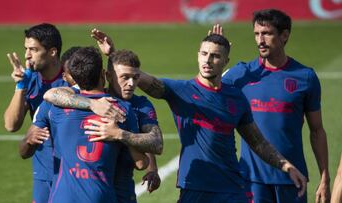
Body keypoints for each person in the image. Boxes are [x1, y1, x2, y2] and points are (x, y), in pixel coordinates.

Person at [136, 31, 307, 202]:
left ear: (226, 62)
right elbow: (140, 78)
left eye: (215, 56)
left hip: (232, 188)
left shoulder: (236, 98)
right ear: (198, 55)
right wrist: (114, 56)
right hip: (195, 186)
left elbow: (258, 142)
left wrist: (286, 166)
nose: (208, 60)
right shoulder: (181, 90)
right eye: (204, 54)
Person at [221, 9, 330, 203]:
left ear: (284, 35)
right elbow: (205, 89)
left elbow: (317, 131)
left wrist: (324, 178)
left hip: (292, 178)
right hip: (252, 180)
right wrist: (216, 55)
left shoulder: (305, 77)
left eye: (267, 33)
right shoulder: (241, 74)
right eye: (256, 34)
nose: (260, 40)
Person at [43, 30, 163, 202]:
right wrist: (92, 104)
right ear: (106, 76)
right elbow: (51, 94)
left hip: (120, 192)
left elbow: (155, 143)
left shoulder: (140, 105)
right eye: (124, 77)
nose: (131, 84)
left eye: (136, 78)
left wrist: (121, 135)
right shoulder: (110, 107)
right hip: (101, 193)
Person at [3, 23, 67, 203]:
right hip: (43, 170)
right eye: (26, 49)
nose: (27, 56)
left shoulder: (71, 79)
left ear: (52, 52)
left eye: (33, 49)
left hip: (72, 170)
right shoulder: (30, 81)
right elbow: (10, 125)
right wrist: (20, 86)